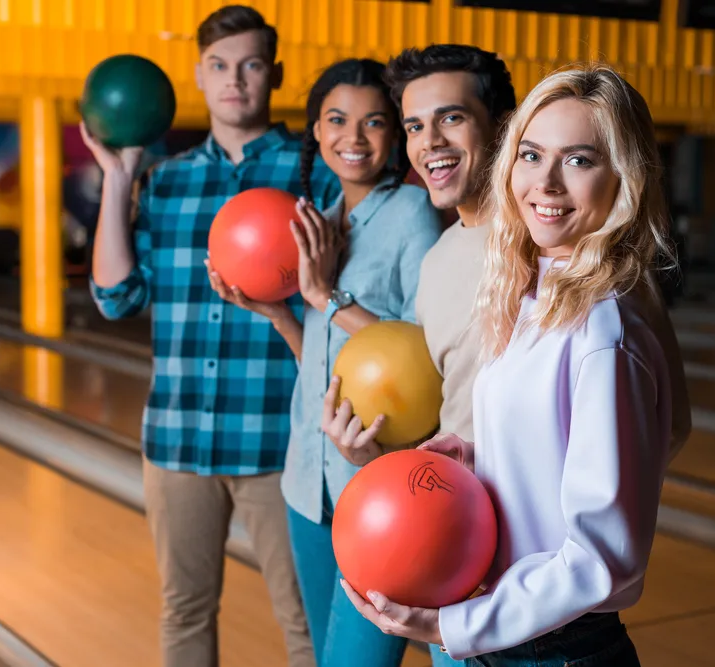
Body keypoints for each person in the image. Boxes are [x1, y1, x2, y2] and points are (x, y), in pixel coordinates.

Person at [340, 65, 693, 666]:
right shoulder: (534, 295)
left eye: (579, 161)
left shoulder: (606, 329)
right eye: (532, 155)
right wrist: (473, 456)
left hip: (558, 649)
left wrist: (456, 625)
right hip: (514, 637)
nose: (546, 183)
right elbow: (552, 449)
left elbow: (603, 559)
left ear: (624, 179)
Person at [84, 6, 340, 667]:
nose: (235, 80)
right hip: (176, 441)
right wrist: (118, 179)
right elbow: (116, 297)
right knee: (184, 612)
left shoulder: (314, 175)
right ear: (198, 75)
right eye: (220, 66)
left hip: (279, 444)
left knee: (305, 622)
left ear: (273, 74)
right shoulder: (163, 182)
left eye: (251, 64)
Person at [210, 57, 443, 666]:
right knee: (323, 655)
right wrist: (284, 317)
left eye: (373, 123)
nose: (354, 138)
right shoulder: (317, 219)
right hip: (306, 479)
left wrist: (326, 298)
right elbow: (326, 360)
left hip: (372, 480)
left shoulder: (410, 215)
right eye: (337, 120)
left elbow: (423, 352)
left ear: (394, 135)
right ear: (315, 129)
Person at [320, 45, 516, 665]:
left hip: (518, 566)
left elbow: (662, 424)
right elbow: (430, 412)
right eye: (414, 125)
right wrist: (372, 447)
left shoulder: (556, 246)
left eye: (452, 118)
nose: (430, 141)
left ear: (503, 124)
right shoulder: (438, 263)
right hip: (437, 529)